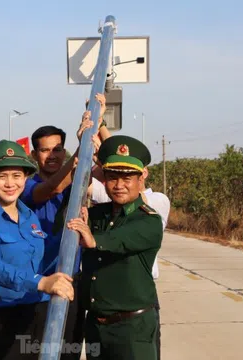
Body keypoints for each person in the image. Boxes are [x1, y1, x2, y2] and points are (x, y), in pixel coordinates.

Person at [0, 140, 75, 360]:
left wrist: (76, 234)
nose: (10, 183)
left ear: (25, 178)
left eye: (16, 176)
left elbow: (42, 256)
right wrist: (41, 282)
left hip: (34, 318)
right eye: (2, 176)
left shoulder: (29, 216)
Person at [20, 97, 107, 359]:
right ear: (35, 155)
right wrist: (82, 149)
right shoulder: (25, 186)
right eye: (45, 150)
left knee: (68, 351)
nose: (53, 156)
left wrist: (98, 124)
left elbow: (111, 167)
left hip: (71, 282)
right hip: (38, 285)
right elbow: (53, 187)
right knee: (35, 352)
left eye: (58, 149)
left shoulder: (78, 181)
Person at [67, 135, 164, 360]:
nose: (119, 185)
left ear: (142, 177)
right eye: (111, 177)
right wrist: (82, 167)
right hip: (96, 328)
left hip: (132, 329)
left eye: (127, 178)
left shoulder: (148, 220)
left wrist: (92, 239)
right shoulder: (98, 214)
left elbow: (117, 239)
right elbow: (68, 217)